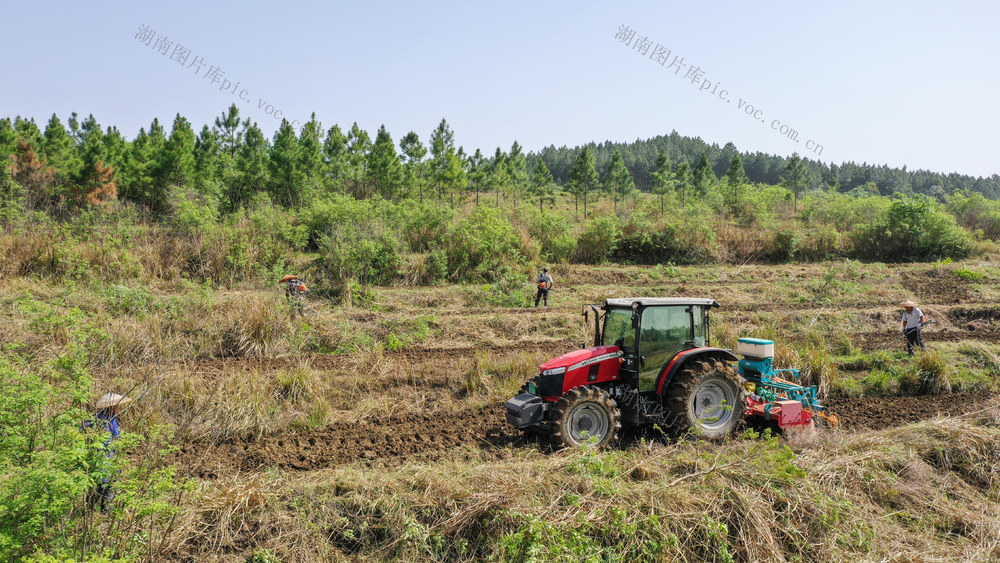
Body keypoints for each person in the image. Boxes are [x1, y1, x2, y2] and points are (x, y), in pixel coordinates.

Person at [90, 392, 131, 514]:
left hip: (110, 456)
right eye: (117, 405)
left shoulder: (111, 418)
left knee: (111, 483)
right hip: (102, 456)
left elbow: (116, 436)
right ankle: (90, 509)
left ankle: (104, 512)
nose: (118, 408)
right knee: (103, 484)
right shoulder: (99, 419)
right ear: (112, 406)